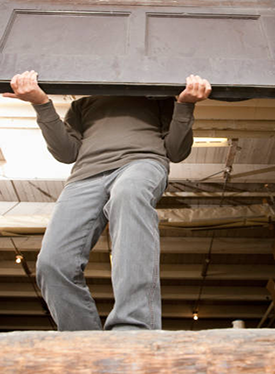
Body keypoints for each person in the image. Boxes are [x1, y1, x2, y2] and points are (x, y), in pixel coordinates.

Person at [3, 70, 211, 331]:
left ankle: (134, 325)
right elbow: (67, 153)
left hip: (141, 163)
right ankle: (83, 340)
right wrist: (41, 104)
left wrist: (185, 105)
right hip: (84, 177)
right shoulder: (82, 104)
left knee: (129, 193)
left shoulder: (160, 97)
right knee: (52, 263)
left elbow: (177, 151)